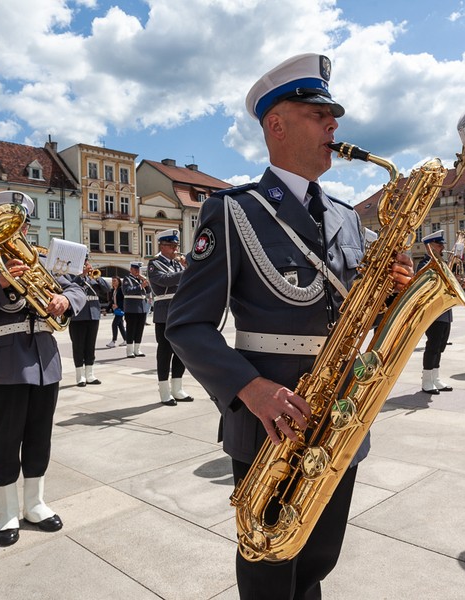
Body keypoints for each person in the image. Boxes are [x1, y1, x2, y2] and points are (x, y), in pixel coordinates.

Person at [167, 53, 414, 599]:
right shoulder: (234, 211)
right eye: (317, 113)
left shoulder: (349, 216)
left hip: (341, 415)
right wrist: (251, 390)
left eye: (335, 115)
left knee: (320, 558)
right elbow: (186, 324)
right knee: (270, 563)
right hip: (271, 423)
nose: (334, 124)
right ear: (275, 125)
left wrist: (393, 297)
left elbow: (353, 312)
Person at [0, 190, 86, 547]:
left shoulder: (41, 258)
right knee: (6, 439)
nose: (18, 229)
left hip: (45, 359)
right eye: (8, 223)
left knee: (40, 436)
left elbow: (78, 290)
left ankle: (35, 503)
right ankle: (6, 512)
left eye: (21, 222)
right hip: (4, 363)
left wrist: (64, 299)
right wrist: (1, 284)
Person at [148, 229, 193, 406]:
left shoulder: (177, 265)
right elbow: (164, 280)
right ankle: (165, 390)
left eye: (176, 245)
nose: (175, 249)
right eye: (172, 246)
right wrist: (187, 272)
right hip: (164, 311)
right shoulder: (154, 263)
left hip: (181, 310)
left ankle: (177, 388)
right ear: (162, 246)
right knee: (165, 352)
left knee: (181, 351)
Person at [419, 230, 456, 394]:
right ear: (429, 246)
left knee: (440, 345)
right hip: (434, 310)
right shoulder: (425, 264)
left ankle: (435, 377)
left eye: (441, 245)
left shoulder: (442, 263)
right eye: (438, 244)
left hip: (445, 311)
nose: (442, 247)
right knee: (433, 345)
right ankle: (427, 380)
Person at [67, 259, 109, 386]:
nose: (86, 265)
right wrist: (81, 275)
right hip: (78, 314)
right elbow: (67, 287)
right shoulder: (72, 276)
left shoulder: (93, 278)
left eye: (87, 262)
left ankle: (90, 374)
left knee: (90, 345)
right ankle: (80, 376)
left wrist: (97, 278)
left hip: (93, 314)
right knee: (78, 346)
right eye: (84, 263)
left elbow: (106, 289)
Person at [121, 261, 150, 358]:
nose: (137, 271)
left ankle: (137, 349)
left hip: (141, 308)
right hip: (131, 308)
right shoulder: (127, 279)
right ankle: (129, 350)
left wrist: (145, 282)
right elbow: (127, 291)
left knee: (139, 330)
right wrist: (140, 286)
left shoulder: (140, 280)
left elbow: (149, 291)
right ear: (131, 270)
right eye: (136, 269)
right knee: (131, 329)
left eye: (139, 269)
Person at [105, 276, 128, 348]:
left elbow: (124, 300)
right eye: (112, 281)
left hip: (120, 309)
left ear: (119, 282)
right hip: (116, 310)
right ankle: (126, 340)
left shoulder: (121, 290)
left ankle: (113, 341)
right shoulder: (113, 290)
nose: (113, 282)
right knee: (120, 325)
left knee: (114, 324)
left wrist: (118, 306)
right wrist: (106, 310)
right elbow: (112, 301)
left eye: (115, 281)